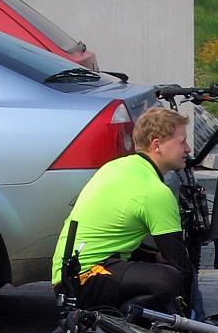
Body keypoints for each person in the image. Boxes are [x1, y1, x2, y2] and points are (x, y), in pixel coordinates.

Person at [51, 107, 195, 317]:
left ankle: (126, 318)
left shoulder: (118, 166)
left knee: (159, 263)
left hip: (69, 275)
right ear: (157, 146)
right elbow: (181, 266)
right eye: (181, 141)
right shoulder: (154, 192)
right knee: (171, 278)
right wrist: (191, 323)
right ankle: (125, 322)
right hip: (83, 280)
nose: (188, 148)